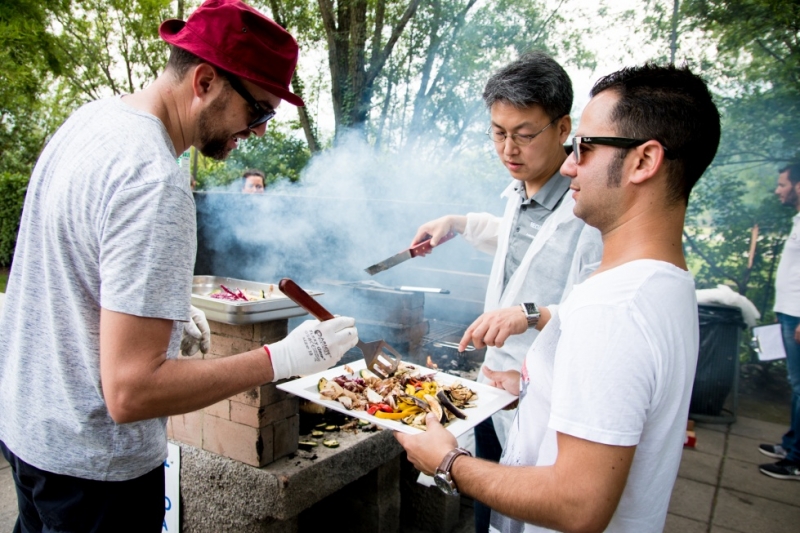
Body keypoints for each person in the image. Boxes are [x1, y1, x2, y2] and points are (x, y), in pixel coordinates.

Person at [0, 1, 358, 531]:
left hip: (29, 435)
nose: (258, 132)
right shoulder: (155, 181)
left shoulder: (91, 121)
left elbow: (74, 270)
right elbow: (130, 392)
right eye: (258, 111)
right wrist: (280, 358)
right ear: (207, 81)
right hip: (95, 476)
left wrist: (165, 309)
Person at [396, 63, 721, 533]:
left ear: (645, 161)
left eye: (585, 148)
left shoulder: (610, 309)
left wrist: (447, 462)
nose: (569, 164)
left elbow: (577, 505)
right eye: (498, 133)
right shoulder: (667, 284)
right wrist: (532, 388)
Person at [409, 51, 602, 533]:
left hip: (545, 395)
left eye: (524, 134)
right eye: (498, 133)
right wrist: (456, 222)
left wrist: (531, 313)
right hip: (495, 386)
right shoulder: (521, 190)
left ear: (563, 129)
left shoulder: (589, 209)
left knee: (531, 511)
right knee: (487, 510)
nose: (508, 150)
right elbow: (519, 239)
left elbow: (600, 310)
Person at [758, 163, 800, 480]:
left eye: (783, 184)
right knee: (795, 384)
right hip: (789, 312)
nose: (778, 190)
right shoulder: (797, 219)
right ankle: (791, 444)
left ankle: (796, 458)